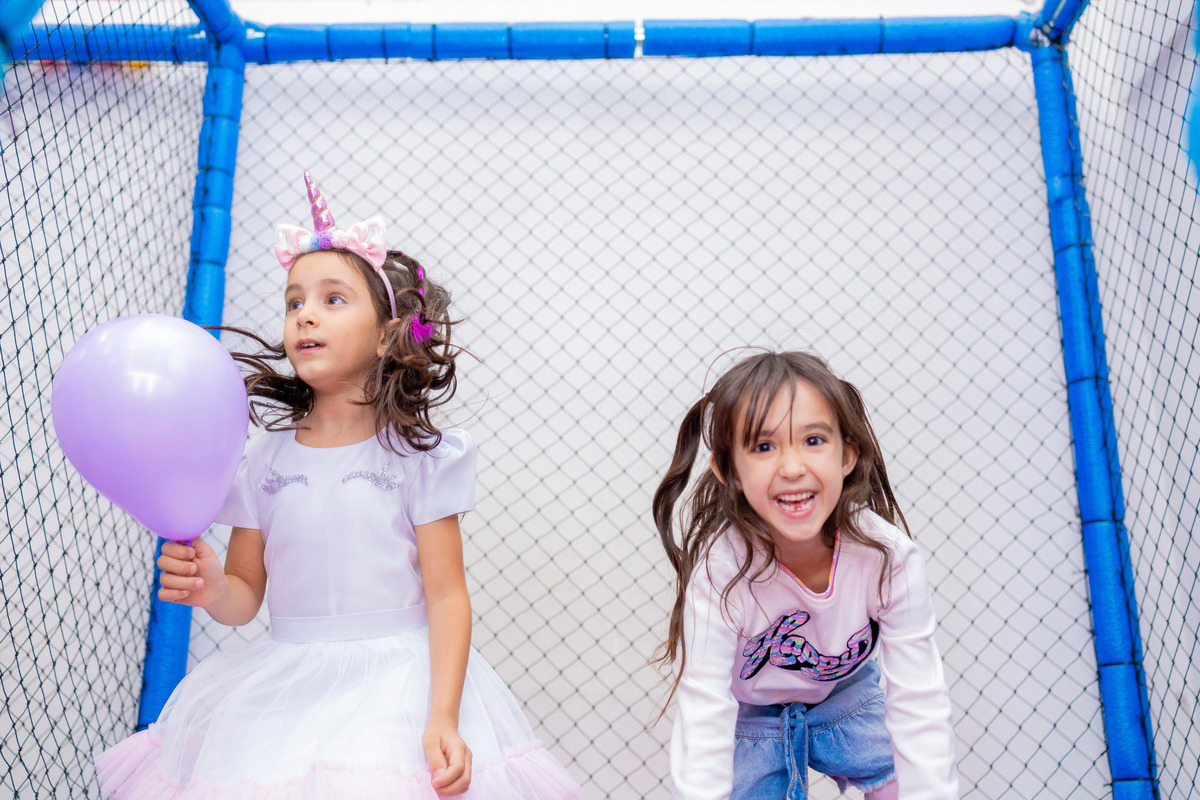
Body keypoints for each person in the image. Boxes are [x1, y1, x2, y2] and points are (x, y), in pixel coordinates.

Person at [95, 172, 580, 800]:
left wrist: (442, 716)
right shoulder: (262, 458)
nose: (305, 314)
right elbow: (245, 597)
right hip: (287, 691)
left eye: (332, 299)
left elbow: (447, 598)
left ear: (385, 334)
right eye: (294, 302)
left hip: (397, 693)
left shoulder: (418, 457)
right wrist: (214, 588)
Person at [653, 350, 958, 799]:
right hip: (749, 716)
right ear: (729, 471)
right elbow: (704, 712)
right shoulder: (721, 571)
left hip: (844, 695)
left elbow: (920, 701)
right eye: (764, 446)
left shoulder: (887, 557)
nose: (793, 467)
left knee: (907, 780)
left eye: (813, 440)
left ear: (847, 454)